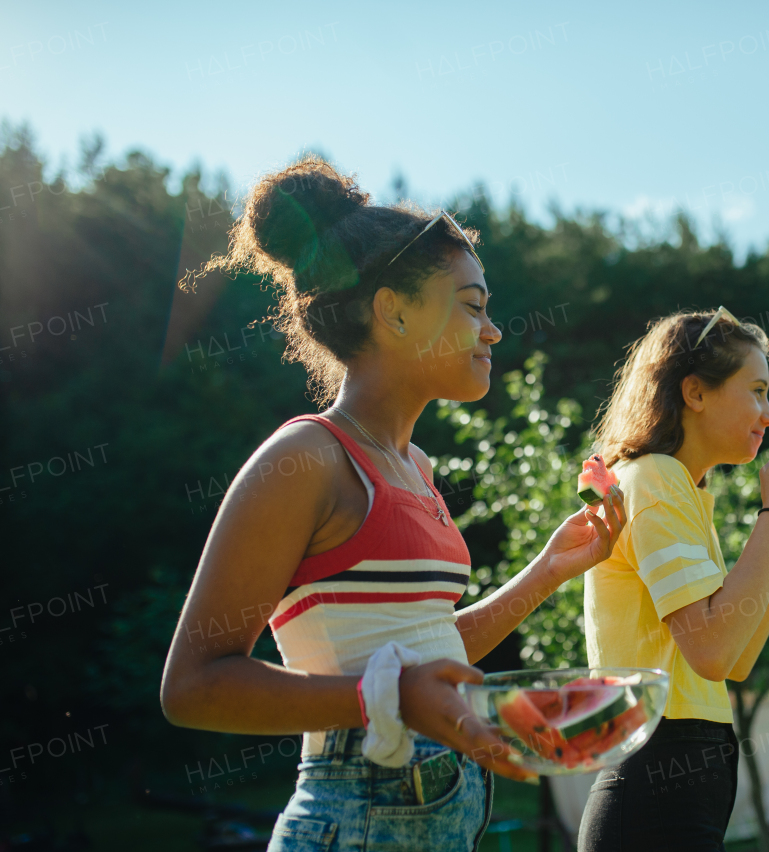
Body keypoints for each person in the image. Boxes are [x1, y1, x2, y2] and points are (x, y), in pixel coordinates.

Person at [159, 156, 627, 851]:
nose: (493, 331)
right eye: (473, 306)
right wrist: (391, 698)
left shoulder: (415, 468)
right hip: (353, 817)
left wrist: (549, 570)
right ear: (395, 313)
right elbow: (193, 687)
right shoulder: (306, 460)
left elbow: (423, 654)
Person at [577, 307, 769, 851]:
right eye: (756, 390)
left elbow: (736, 657)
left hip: (676, 779)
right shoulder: (655, 478)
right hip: (658, 777)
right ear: (695, 392)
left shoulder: (680, 489)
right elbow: (712, 649)